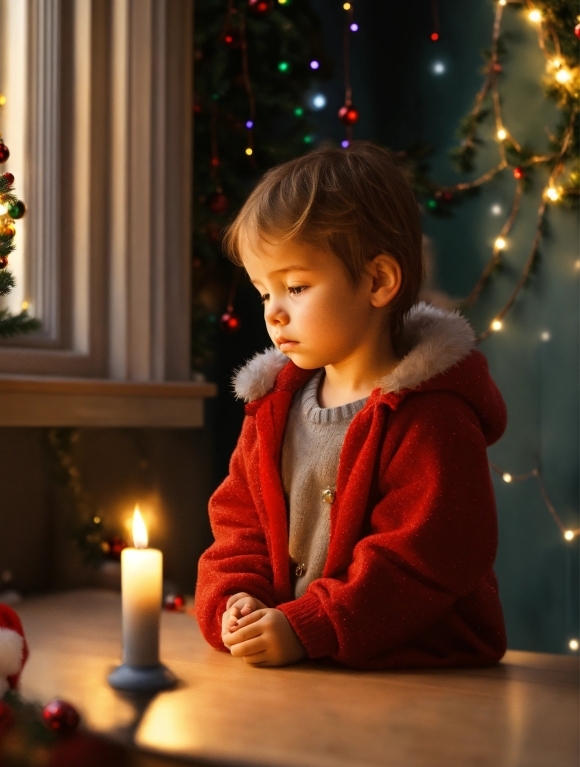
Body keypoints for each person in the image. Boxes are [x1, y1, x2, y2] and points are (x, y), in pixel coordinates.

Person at [195, 141, 508, 669]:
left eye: (295, 286)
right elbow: (238, 523)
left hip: (420, 675)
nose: (273, 313)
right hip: (307, 671)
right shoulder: (274, 409)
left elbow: (422, 558)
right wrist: (237, 600)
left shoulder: (432, 416)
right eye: (262, 292)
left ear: (379, 281)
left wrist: (312, 624)